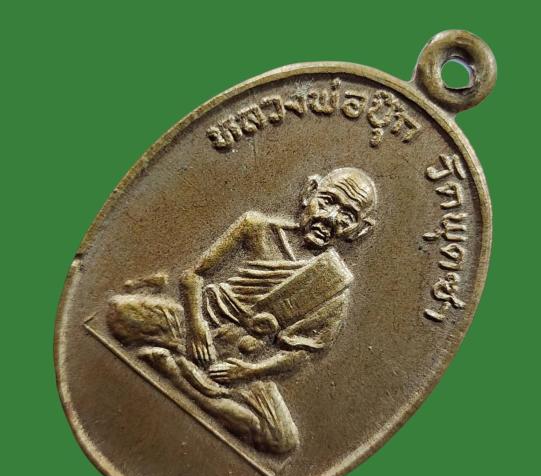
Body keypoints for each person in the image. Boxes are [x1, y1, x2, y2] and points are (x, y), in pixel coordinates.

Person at [107, 167, 377, 454]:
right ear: (309, 192)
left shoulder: (335, 283)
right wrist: (196, 328)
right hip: (197, 323)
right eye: (327, 201)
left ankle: (175, 374)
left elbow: (303, 352)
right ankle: (196, 376)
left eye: (348, 216)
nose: (330, 218)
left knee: (281, 440)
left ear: (360, 230)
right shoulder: (257, 227)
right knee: (119, 315)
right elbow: (193, 276)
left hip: (241, 356)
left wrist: (248, 371)